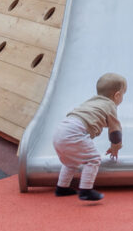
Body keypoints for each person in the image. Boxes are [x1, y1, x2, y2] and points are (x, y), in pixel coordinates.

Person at [51, 72, 126, 202]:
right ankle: (86, 190)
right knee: (94, 159)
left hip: (60, 130)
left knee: (70, 162)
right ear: (117, 95)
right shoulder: (110, 106)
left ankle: (62, 188)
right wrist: (115, 147)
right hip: (74, 132)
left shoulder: (92, 101)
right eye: (123, 95)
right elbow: (115, 132)